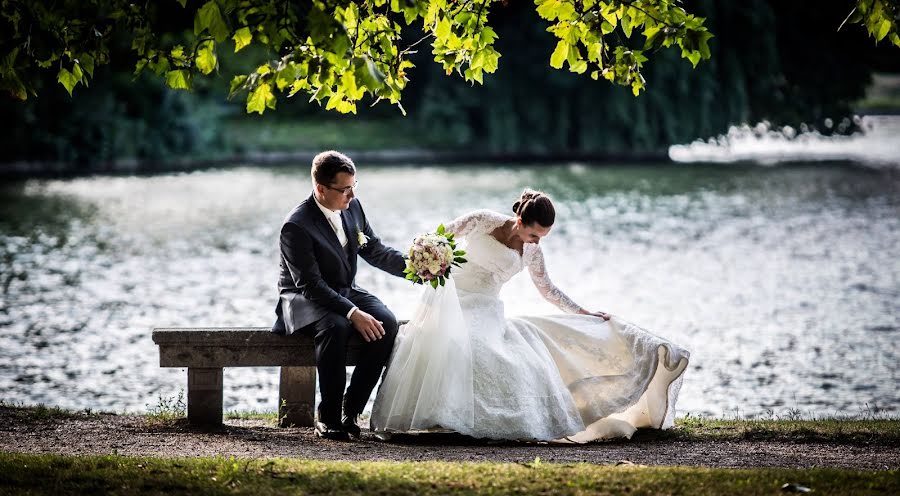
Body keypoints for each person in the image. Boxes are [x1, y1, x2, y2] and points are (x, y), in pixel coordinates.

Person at [371, 189, 690, 442]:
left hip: (486, 310)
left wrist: (583, 312)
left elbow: (548, 290)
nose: (537, 243)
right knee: (458, 344)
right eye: (535, 234)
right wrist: (429, 257)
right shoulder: (483, 221)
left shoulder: (532, 252)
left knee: (489, 350)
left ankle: (471, 420)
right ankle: (440, 416)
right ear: (520, 221)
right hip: (451, 300)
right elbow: (438, 237)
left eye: (542, 237)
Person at [272, 150, 407, 440]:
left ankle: (352, 408)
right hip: (302, 299)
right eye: (344, 189)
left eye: (354, 186)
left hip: (344, 289)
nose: (351, 195)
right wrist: (352, 312)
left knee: (387, 323)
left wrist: (416, 269)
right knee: (338, 326)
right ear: (321, 188)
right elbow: (309, 284)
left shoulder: (353, 207)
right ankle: (329, 415)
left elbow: (375, 250)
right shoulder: (296, 225)